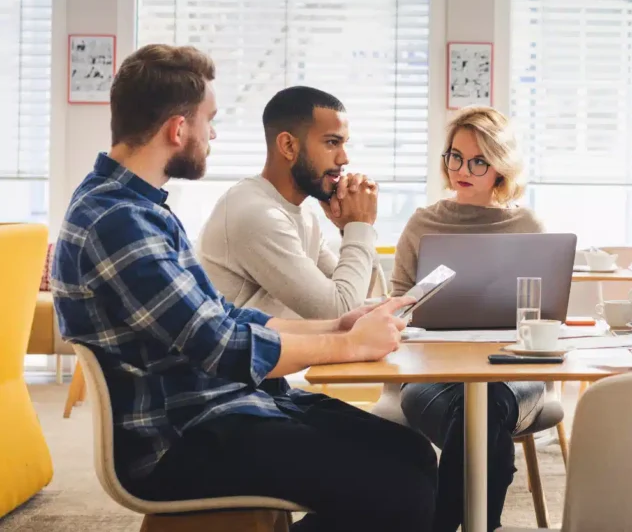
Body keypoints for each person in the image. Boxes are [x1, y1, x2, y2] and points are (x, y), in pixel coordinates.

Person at [51, 44, 437, 531]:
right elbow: (220, 345)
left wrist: (337, 324)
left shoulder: (140, 208)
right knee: (401, 491)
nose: (212, 133)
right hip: (181, 437)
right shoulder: (118, 221)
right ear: (177, 129)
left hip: (219, 404)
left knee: (412, 453)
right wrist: (345, 345)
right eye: (208, 120)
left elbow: (220, 316)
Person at [373, 106, 545, 532]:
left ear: (500, 168)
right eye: (454, 156)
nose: (461, 169)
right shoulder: (423, 223)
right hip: (432, 376)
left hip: (513, 372)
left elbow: (543, 313)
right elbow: (398, 308)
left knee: (487, 403)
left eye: (478, 160)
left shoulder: (526, 224)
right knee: (484, 420)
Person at [200, 86, 385, 319]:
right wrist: (360, 225)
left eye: (344, 144)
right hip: (246, 354)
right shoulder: (257, 214)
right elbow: (339, 312)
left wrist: (351, 228)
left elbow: (358, 297)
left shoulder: (302, 214)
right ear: (288, 146)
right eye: (332, 143)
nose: (344, 158)